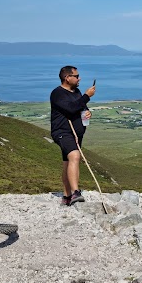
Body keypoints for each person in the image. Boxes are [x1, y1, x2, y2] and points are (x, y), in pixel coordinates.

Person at [50, 66, 96, 206]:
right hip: (63, 132)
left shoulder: (76, 91)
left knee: (68, 162)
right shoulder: (57, 93)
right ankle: (76, 192)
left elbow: (79, 107)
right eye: (76, 76)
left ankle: (67, 196)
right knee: (75, 156)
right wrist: (87, 96)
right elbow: (70, 109)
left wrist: (88, 112)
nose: (79, 78)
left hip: (76, 134)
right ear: (67, 78)